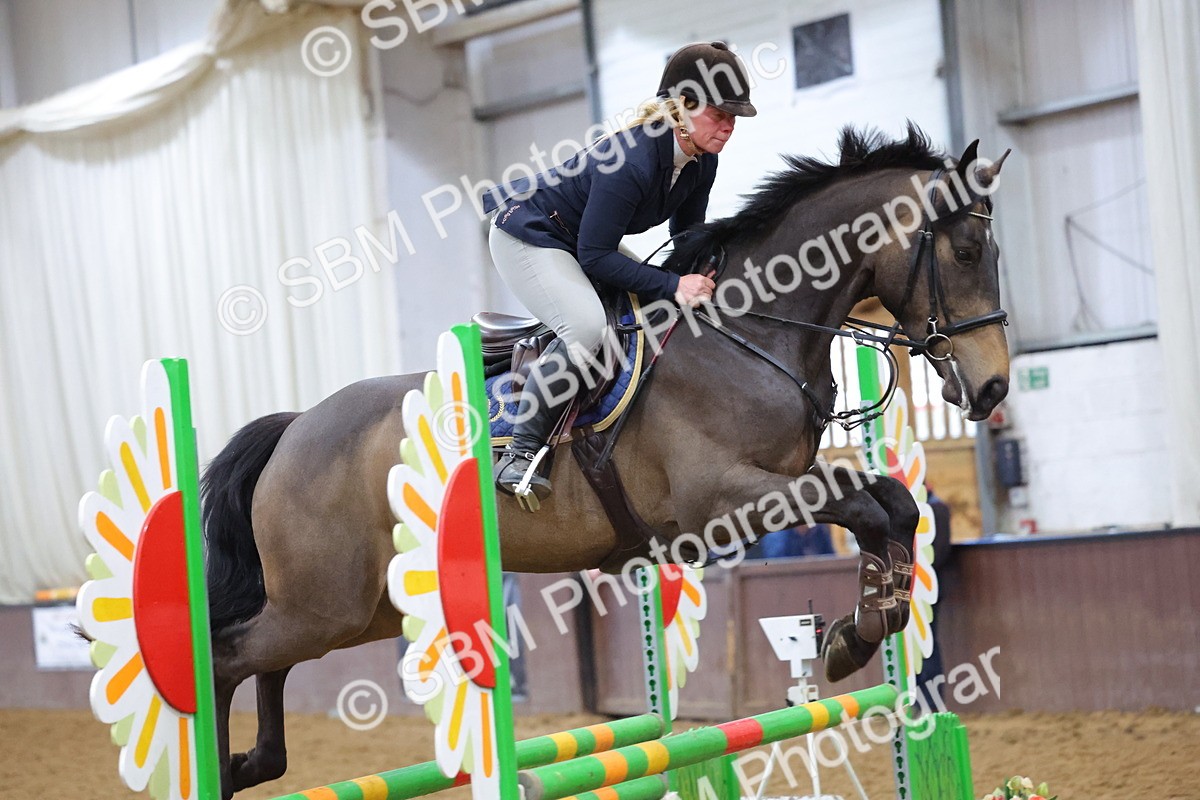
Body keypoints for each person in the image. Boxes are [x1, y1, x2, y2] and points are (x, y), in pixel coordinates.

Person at [481, 41, 757, 508]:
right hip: (529, 236)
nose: (729, 126)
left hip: (580, 240)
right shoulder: (630, 162)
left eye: (735, 117)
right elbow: (595, 257)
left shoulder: (701, 158)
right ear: (682, 108)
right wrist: (674, 286)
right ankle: (520, 452)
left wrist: (718, 268)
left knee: (650, 307)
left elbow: (686, 234)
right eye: (719, 114)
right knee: (588, 328)